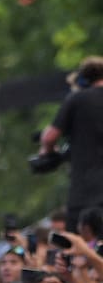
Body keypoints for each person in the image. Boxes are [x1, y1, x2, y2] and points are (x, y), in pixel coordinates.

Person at [39, 56, 103, 234]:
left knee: (76, 248)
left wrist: (48, 151)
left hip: (85, 193)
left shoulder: (78, 99)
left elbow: (50, 136)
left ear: (83, 79)